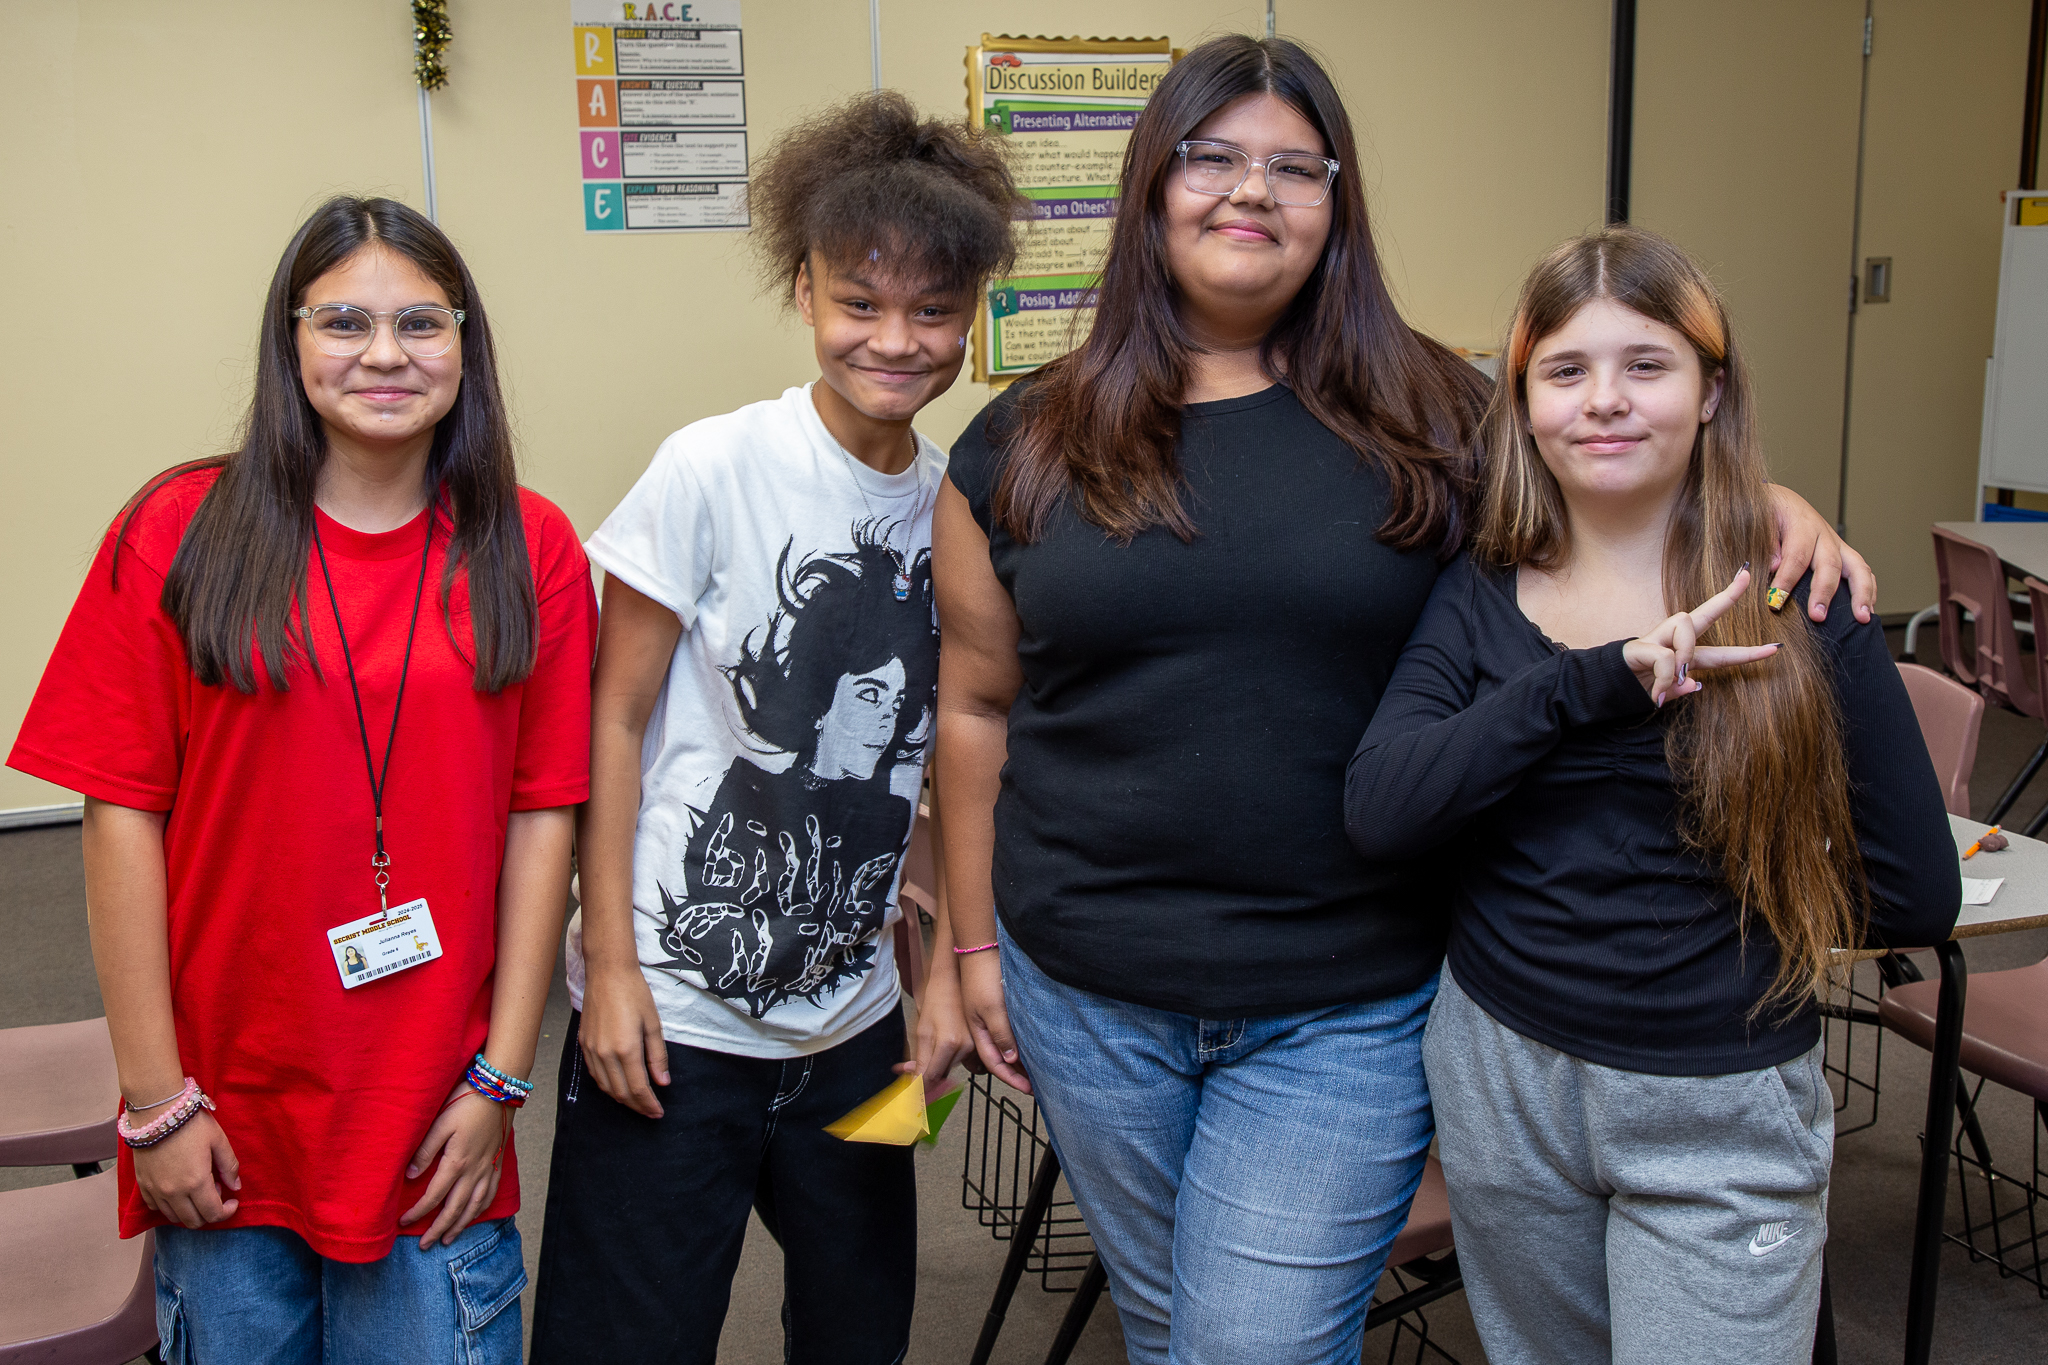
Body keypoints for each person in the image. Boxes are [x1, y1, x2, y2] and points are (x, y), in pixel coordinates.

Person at [933, 35, 1877, 1365]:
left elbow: (1616, 463)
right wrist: (969, 946)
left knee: (1247, 1348)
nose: (1248, 191)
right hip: (1083, 989)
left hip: (1348, 996)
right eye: (1211, 157)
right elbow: (976, 709)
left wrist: (1772, 508)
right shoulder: (1022, 438)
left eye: (1292, 167)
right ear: (1151, 186)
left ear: (1336, 202)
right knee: (1170, 1327)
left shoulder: (1438, 416)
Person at [1344, 225, 1959, 1363]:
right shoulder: (1479, 587)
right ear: (1521, 401)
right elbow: (1383, 809)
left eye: (1646, 365)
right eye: (1564, 372)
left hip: (1718, 1098)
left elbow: (1914, 897)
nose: (1603, 403)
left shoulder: (1798, 596)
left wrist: (1730, 935)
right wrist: (1590, 687)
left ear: (1710, 390)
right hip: (1502, 1078)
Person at [7, 195, 597, 1361]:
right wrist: (155, 1103)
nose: (385, 354)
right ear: (291, 345)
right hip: (223, 1116)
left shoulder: (528, 548)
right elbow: (119, 816)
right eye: (344, 322)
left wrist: (498, 1084)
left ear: (465, 346)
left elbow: (544, 820)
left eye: (422, 323)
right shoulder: (179, 532)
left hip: (433, 1120)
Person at [529, 91, 1021, 1364]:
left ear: (972, 316)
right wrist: (614, 976)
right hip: (674, 1028)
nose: (895, 341)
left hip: (858, 1036)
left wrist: (933, 985)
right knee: (627, 1337)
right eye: (860, 303)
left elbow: (929, 759)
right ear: (801, 290)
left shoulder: (955, 505)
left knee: (862, 1332)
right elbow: (613, 717)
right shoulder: (711, 467)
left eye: (931, 311)